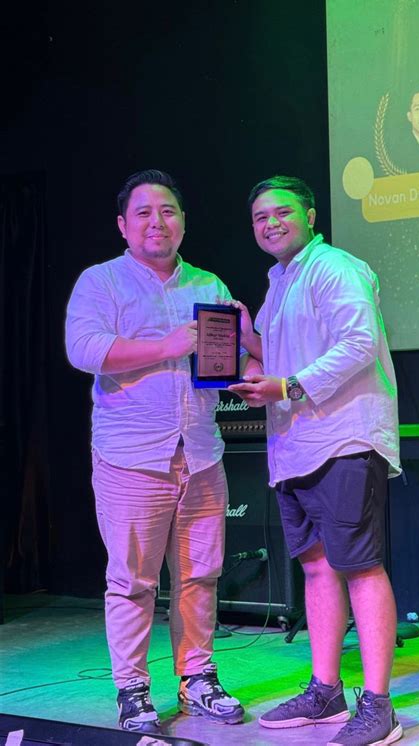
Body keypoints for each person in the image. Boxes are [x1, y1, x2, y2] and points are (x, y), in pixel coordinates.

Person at [65, 169, 246, 734]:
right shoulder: (101, 281)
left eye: (167, 211)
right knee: (133, 581)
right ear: (123, 225)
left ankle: (198, 679)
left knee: (200, 576)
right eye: (143, 212)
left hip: (201, 453)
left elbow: (227, 363)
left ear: (183, 222)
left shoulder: (208, 284)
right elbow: (83, 349)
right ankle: (133, 689)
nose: (157, 222)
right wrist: (166, 346)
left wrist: (243, 358)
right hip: (131, 457)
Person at [229, 175, 403, 746]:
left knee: (360, 565)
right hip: (296, 446)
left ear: (309, 215)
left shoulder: (335, 267)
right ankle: (326, 690)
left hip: (343, 439)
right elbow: (287, 359)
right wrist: (250, 343)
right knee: (317, 568)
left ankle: (379, 706)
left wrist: (285, 386)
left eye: (282, 212)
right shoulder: (279, 281)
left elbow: (359, 343)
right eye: (260, 217)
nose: (271, 223)